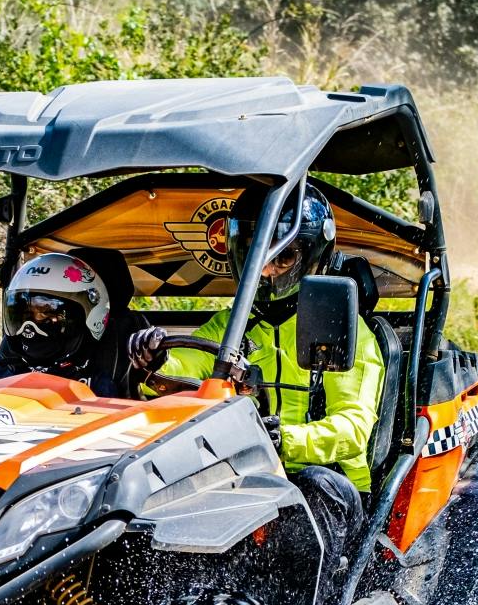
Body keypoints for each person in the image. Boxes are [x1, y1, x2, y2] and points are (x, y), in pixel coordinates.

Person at [127, 183, 385, 577]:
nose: (266, 271)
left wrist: (283, 440)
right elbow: (188, 366)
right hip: (251, 476)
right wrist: (156, 360)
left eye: (282, 258)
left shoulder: (345, 332)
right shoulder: (234, 325)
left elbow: (352, 430)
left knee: (314, 485)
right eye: (255, 255)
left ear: (311, 258)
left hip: (330, 485)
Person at [0, 251, 150, 399]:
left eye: (47, 313)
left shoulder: (99, 381)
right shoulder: (5, 372)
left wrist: (153, 352)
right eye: (24, 314)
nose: (29, 327)